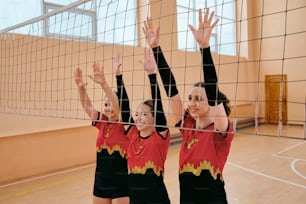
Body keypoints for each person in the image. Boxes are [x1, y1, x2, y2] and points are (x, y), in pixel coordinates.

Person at [143, 8, 234, 204]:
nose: (191, 103)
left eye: (198, 99)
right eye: (190, 98)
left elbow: (212, 87)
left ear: (211, 103)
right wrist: (156, 49)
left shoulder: (220, 130)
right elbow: (171, 90)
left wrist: (205, 48)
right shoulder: (188, 127)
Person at [115, 48, 171, 204]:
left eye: (145, 114)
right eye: (137, 114)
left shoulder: (160, 137)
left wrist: (152, 75)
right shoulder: (133, 134)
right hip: (135, 199)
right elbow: (124, 108)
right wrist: (118, 77)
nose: (138, 118)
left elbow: (158, 104)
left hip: (156, 199)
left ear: (154, 118)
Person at [74, 62, 129, 204]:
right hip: (101, 181)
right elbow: (87, 106)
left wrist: (104, 84)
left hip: (121, 182)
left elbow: (118, 107)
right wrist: (81, 88)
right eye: (105, 104)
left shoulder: (126, 124)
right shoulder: (102, 121)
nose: (108, 108)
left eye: (110, 103)